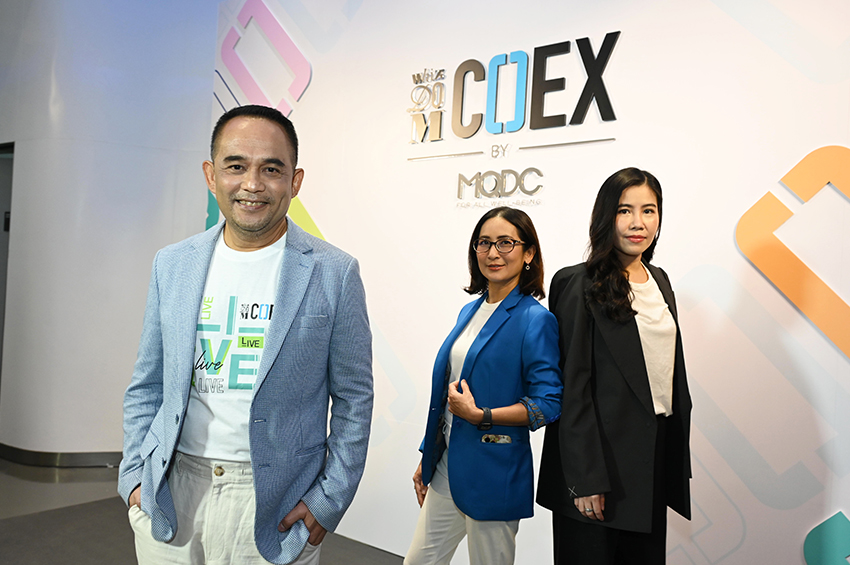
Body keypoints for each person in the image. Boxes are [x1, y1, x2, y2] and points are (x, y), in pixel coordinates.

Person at [118, 104, 373, 565]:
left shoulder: (334, 272)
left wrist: (328, 500)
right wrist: (135, 475)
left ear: (295, 181)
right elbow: (147, 382)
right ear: (211, 175)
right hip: (172, 488)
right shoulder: (172, 264)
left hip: (276, 504)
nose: (252, 184)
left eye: (271, 169)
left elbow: (355, 398)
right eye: (236, 166)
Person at [537, 167, 692, 564]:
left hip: (650, 459)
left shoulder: (660, 280)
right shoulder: (577, 282)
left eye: (649, 210)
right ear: (606, 216)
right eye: (625, 210)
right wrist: (585, 477)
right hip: (598, 465)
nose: (639, 223)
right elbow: (573, 386)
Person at [405, 206, 562, 565]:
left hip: (494, 473)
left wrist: (482, 415)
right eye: (485, 243)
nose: (493, 253)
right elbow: (449, 393)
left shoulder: (535, 319)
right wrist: (429, 455)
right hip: (448, 466)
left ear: (529, 253)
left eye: (506, 243)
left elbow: (549, 403)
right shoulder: (469, 311)